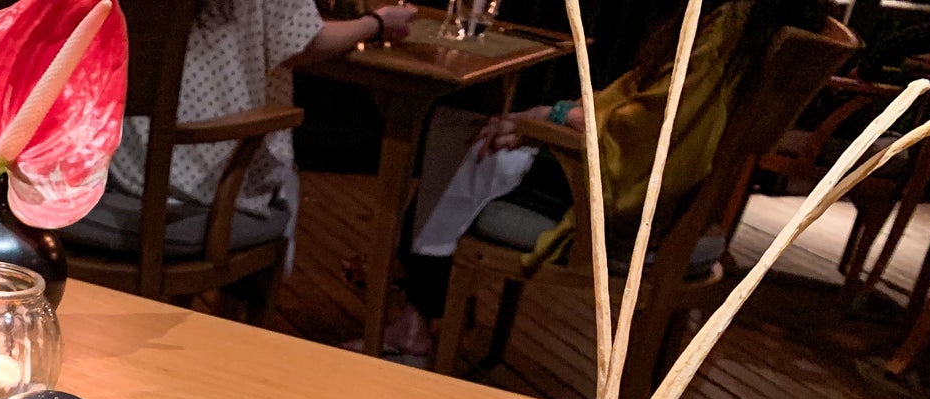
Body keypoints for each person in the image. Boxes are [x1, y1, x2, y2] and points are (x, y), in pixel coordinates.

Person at [374, 0, 829, 357]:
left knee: (466, 136)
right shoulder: (768, 22)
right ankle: (422, 308)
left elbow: (647, 125)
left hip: (621, 193)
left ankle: (415, 318)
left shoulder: (728, 22)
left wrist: (551, 117)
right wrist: (551, 117)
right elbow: (648, 107)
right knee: (482, 132)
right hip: (667, 194)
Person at [64, 0, 416, 262]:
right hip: (206, 185)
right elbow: (306, 40)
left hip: (109, 167)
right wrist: (375, 24)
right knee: (281, 174)